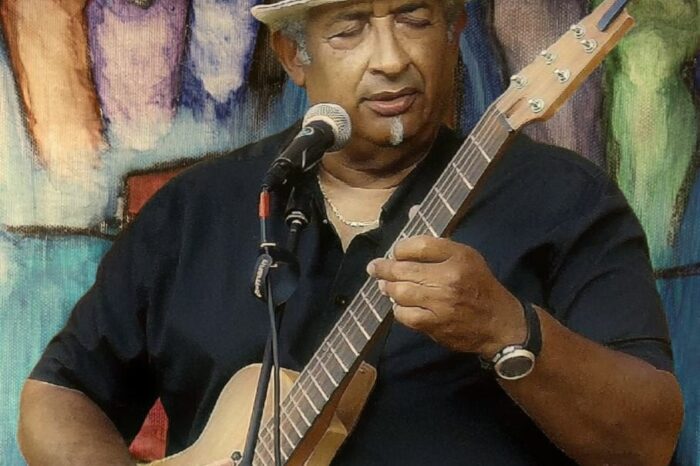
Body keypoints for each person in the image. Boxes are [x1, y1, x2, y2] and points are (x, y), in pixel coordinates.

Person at [18, 0, 683, 464]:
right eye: (349, 29)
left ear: (454, 32)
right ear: (294, 55)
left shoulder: (564, 201)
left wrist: (508, 330)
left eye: (414, 19)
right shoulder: (193, 210)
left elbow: (647, 441)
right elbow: (61, 392)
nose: (390, 59)